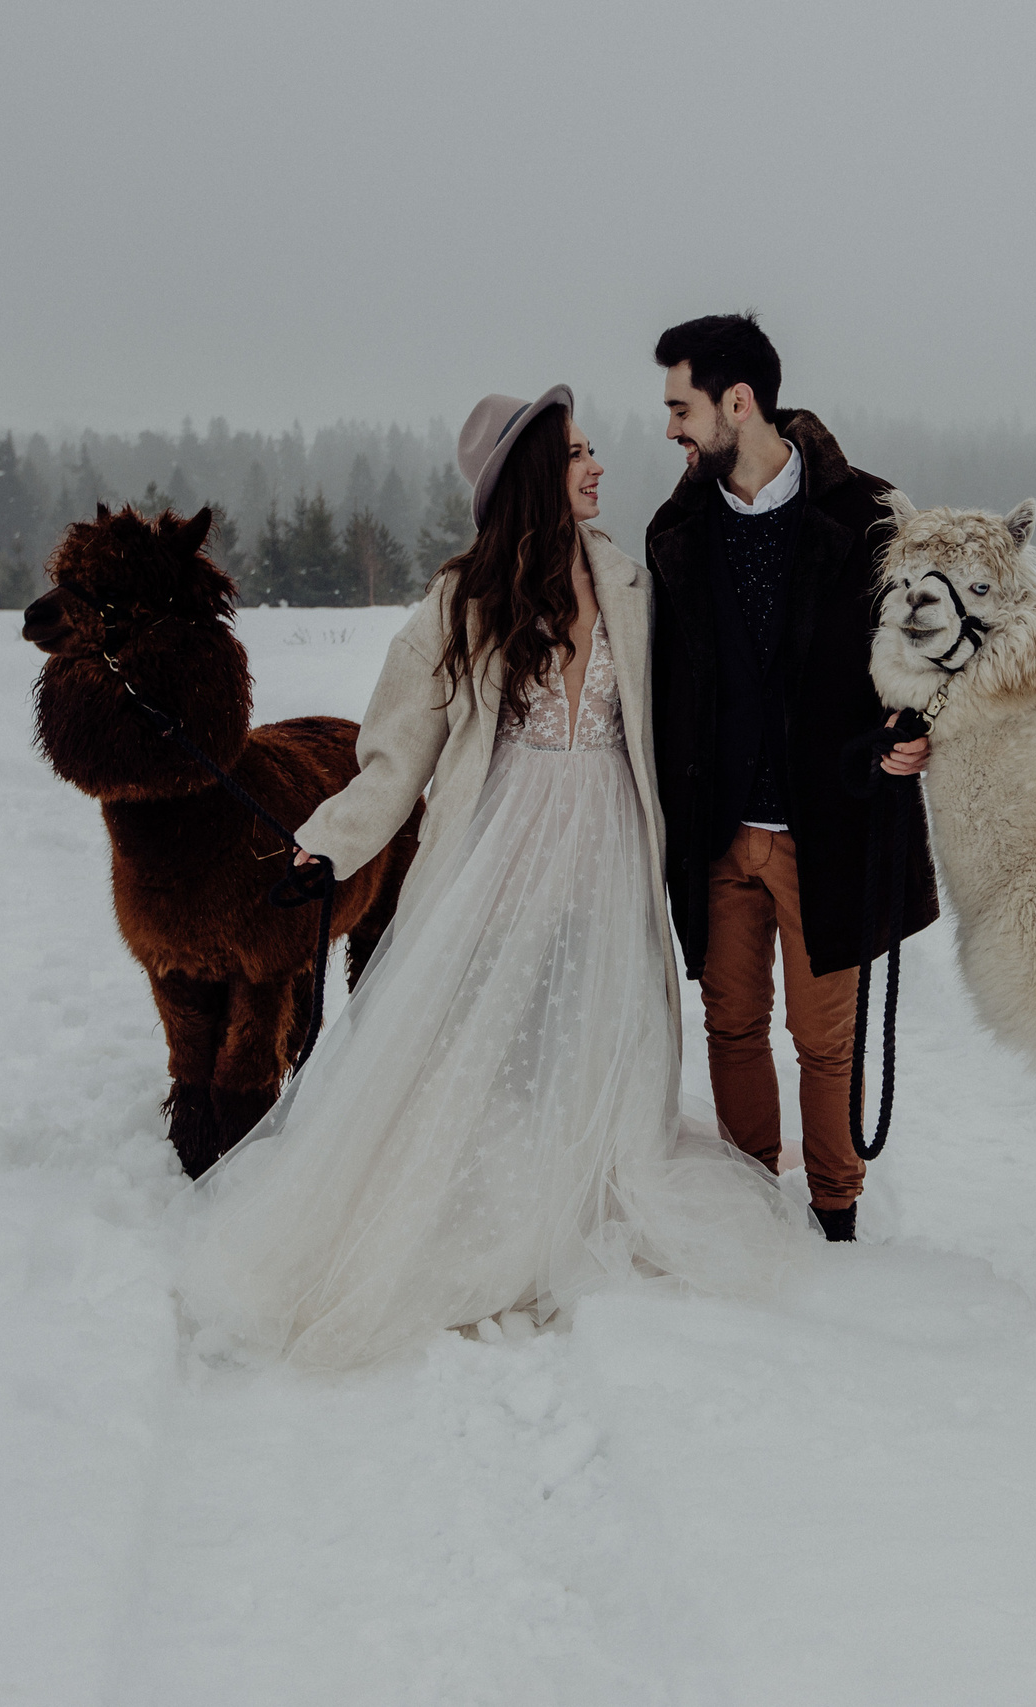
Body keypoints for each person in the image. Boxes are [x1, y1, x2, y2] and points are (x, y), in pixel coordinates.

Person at [181, 388, 805, 1370]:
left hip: (612, 846)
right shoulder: (461, 603)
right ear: (531, 477)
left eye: (593, 451)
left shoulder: (632, 583)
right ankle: (485, 1201)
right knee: (481, 1034)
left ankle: (582, 1186)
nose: (598, 466)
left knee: (604, 1024)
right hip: (503, 846)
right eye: (577, 454)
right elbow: (396, 754)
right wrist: (331, 844)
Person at [646, 314, 937, 1244]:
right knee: (731, 1025)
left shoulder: (873, 514)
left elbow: (926, 651)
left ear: (739, 402)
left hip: (830, 824)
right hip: (720, 830)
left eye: (681, 407)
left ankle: (836, 1214)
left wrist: (919, 728)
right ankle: (749, 1207)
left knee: (825, 1040)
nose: (670, 428)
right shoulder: (676, 531)